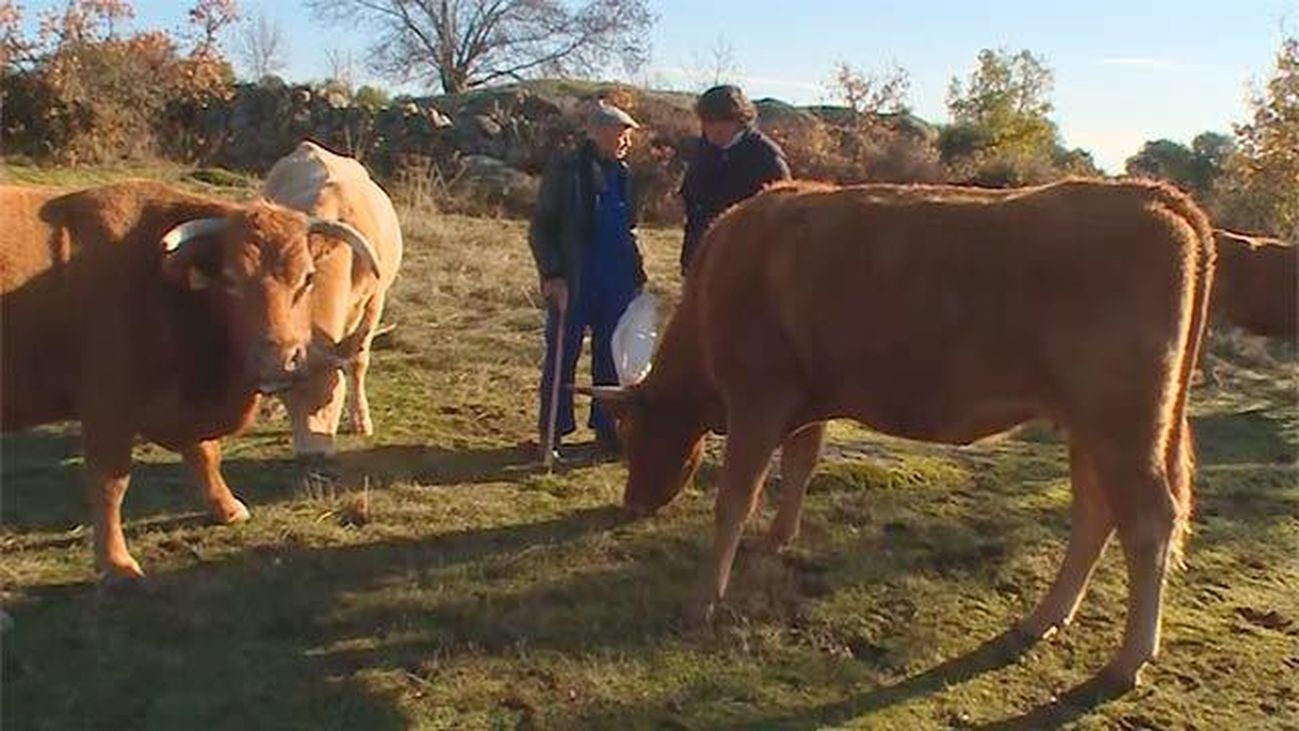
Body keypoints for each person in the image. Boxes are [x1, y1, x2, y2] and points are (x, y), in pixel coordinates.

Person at [529, 101, 647, 459]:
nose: (626, 141)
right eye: (620, 134)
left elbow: (630, 227)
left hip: (616, 280)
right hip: (576, 278)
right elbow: (542, 227)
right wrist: (552, 274)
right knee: (562, 355)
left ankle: (606, 429)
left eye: (628, 135)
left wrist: (637, 273)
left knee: (611, 357)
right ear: (598, 134)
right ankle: (553, 432)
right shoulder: (567, 171)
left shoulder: (626, 175)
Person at [679, 84, 792, 276]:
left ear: (739, 120)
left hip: (747, 261)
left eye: (720, 121)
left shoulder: (765, 156)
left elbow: (782, 213)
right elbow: (692, 200)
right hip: (702, 254)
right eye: (707, 121)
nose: (712, 128)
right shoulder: (703, 150)